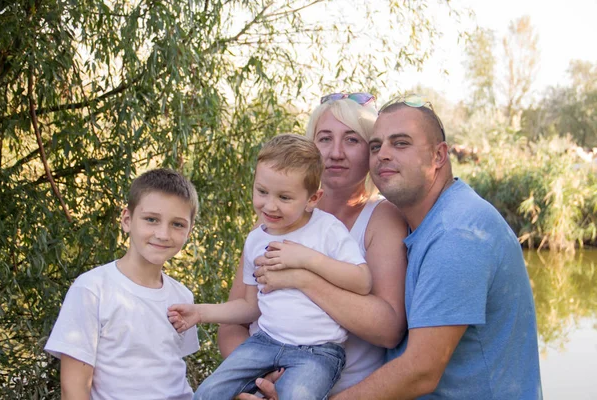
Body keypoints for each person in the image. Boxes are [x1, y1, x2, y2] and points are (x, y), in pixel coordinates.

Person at [330, 94, 543, 399]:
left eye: (400, 143)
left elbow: (421, 372)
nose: (382, 155)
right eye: (375, 146)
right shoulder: (430, 221)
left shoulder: (458, 232)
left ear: (438, 156)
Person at [218, 93, 408, 398]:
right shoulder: (273, 218)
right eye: (324, 139)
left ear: (371, 151)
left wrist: (302, 277)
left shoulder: (382, 218)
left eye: (352, 140)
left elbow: (388, 329)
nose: (335, 153)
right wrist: (257, 383)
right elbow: (234, 323)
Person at [168, 133, 371, 400]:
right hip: (265, 342)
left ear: (313, 198)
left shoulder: (327, 229)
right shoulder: (256, 240)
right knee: (209, 392)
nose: (270, 205)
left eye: (285, 197)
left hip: (317, 351)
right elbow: (251, 306)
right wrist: (201, 313)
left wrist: (306, 259)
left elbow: (362, 281)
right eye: (262, 192)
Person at [44, 168, 200, 400]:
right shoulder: (91, 290)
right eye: (151, 219)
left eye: (177, 224)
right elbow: (74, 390)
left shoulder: (182, 296)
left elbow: (169, 374)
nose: (163, 233)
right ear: (127, 220)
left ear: (190, 230)